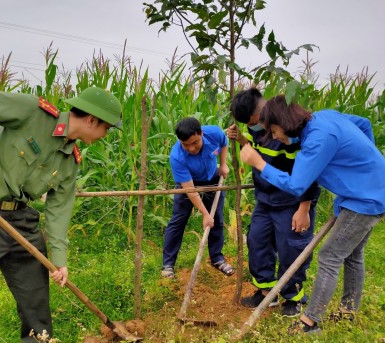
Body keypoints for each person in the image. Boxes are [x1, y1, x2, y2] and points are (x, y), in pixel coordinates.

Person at [0, 87, 122, 342]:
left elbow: (58, 212)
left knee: (36, 304)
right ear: (92, 120)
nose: (106, 134)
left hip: (20, 221)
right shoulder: (31, 112)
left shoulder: (71, 162)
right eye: (107, 127)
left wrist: (59, 259)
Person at [239, 95, 385, 334]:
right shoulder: (323, 117)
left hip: (365, 200)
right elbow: (364, 123)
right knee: (353, 254)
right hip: (368, 191)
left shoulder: (316, 141)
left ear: (285, 123)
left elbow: (297, 185)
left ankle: (310, 322)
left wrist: (260, 164)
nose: (274, 137)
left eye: (274, 131)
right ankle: (349, 311)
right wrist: (367, 166)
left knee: (330, 255)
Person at [227, 88, 320, 317]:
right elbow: (258, 149)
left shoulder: (290, 129)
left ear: (263, 110)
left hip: (291, 201)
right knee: (257, 242)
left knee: (292, 249)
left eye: (255, 122)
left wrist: (304, 208)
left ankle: (293, 296)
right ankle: (266, 290)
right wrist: (240, 139)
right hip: (265, 199)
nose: (255, 127)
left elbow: (308, 173)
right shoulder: (256, 126)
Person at [161, 117, 233, 279]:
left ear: (201, 133)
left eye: (195, 143)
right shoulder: (177, 156)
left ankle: (217, 258)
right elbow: (191, 190)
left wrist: (223, 164)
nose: (191, 148)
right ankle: (168, 264)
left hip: (211, 178)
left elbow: (224, 143)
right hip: (188, 184)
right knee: (178, 220)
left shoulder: (214, 133)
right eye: (185, 145)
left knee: (217, 219)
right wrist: (204, 214)